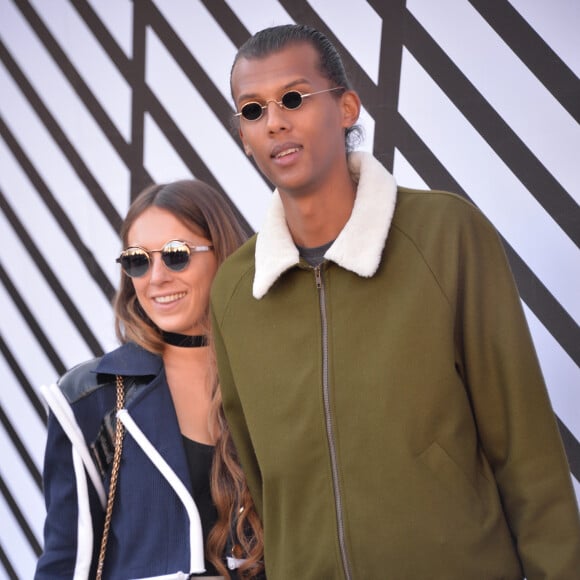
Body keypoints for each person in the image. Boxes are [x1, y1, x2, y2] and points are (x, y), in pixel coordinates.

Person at [210, 23, 580, 579]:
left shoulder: (445, 234)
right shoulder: (237, 289)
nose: (275, 121)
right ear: (243, 134)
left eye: (293, 98)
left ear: (347, 108)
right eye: (253, 110)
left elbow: (526, 454)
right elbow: (265, 483)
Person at [35, 179, 260, 579]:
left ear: (223, 253)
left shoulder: (277, 376)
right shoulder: (91, 398)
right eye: (138, 260)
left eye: (176, 255)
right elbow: (67, 560)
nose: (156, 277)